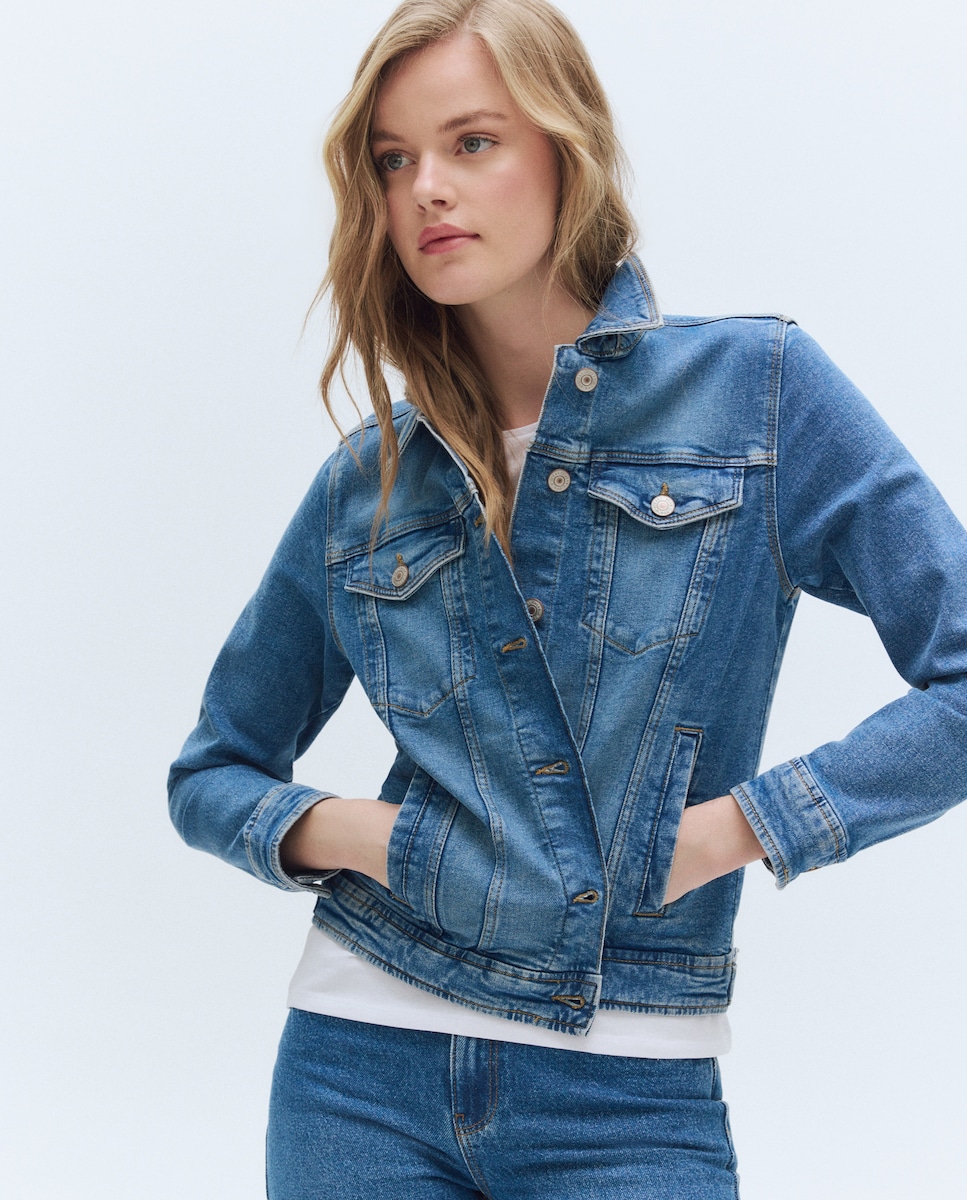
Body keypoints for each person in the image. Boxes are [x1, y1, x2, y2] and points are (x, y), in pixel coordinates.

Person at [168, 1, 967, 1196]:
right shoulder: (368, 480)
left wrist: (732, 832)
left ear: (566, 148)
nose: (428, 188)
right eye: (393, 160)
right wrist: (376, 839)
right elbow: (213, 772)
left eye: (472, 142)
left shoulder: (756, 394)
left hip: (628, 1092)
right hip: (357, 1073)